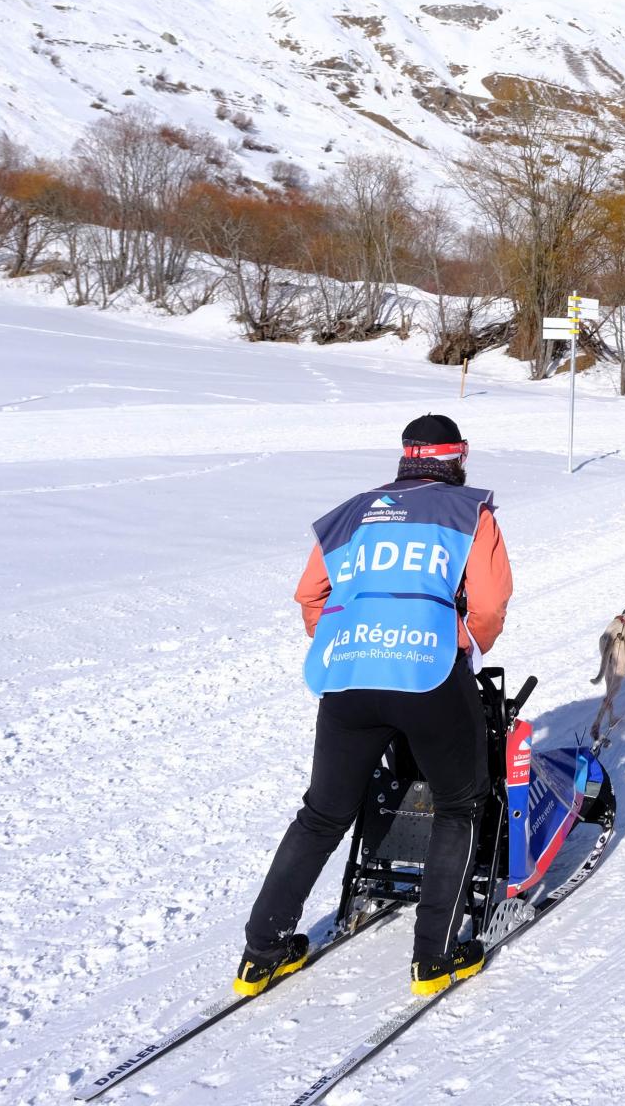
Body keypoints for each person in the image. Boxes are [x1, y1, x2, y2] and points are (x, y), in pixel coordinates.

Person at [236, 413, 512, 999]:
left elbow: (311, 595)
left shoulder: (353, 512)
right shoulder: (470, 513)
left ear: (407, 455)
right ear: (457, 457)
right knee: (461, 804)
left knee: (321, 815)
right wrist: (458, 642)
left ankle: (261, 952)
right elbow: (487, 605)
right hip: (427, 674)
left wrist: (349, 639)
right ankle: (432, 959)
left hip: (349, 677)